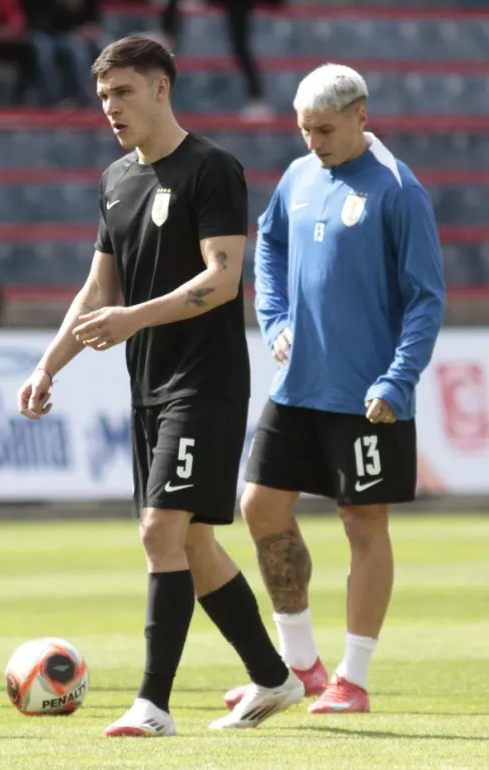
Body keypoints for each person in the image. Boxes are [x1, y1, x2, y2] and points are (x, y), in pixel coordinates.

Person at [16, 35, 303, 737]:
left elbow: (221, 278)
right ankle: (274, 677)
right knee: (194, 546)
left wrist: (131, 320)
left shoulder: (212, 170)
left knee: (159, 531)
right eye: (103, 96)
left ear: (161, 90)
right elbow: (97, 290)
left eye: (122, 93)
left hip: (203, 383)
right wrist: (47, 364)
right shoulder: (116, 180)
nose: (110, 108)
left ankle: (153, 703)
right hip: (147, 386)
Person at [224, 63, 446, 714]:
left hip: (366, 396)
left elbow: (426, 301)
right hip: (296, 387)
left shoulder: (398, 190)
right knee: (260, 507)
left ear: (361, 117)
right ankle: (299, 666)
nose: (313, 141)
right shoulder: (298, 176)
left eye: (324, 129)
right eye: (303, 130)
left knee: (362, 524)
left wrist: (398, 380)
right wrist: (275, 320)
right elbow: (266, 246)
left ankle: (354, 677)